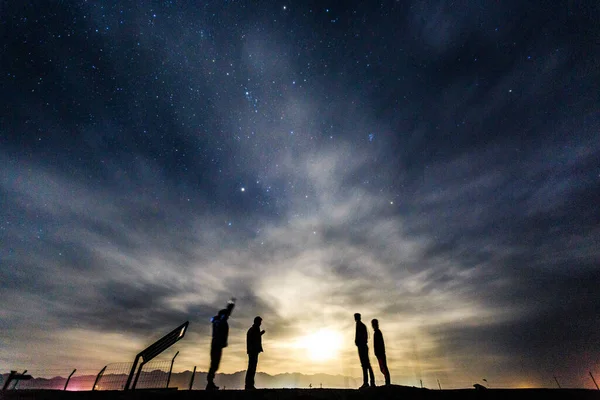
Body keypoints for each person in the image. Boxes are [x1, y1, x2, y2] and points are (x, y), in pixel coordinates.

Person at [206, 298, 236, 390]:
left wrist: (229, 307)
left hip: (216, 344)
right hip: (217, 345)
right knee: (214, 364)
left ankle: (210, 382)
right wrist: (230, 306)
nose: (228, 316)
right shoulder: (219, 322)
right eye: (226, 315)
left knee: (214, 364)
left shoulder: (217, 321)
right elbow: (225, 315)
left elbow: (225, 315)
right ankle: (210, 383)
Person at [354, 313, 375, 388]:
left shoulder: (360, 325)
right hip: (362, 346)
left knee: (365, 364)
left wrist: (359, 342)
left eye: (356, 317)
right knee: (366, 364)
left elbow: (363, 337)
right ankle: (369, 382)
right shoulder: (360, 325)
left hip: (362, 346)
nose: (355, 318)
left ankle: (368, 382)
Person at [245, 316, 265, 390]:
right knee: (252, 368)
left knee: (251, 368)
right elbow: (254, 339)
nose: (260, 324)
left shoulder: (252, 330)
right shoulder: (254, 329)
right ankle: (249, 385)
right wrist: (260, 334)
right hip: (253, 351)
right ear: (257, 322)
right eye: (260, 322)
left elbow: (254, 338)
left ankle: (249, 385)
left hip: (252, 351)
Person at [371, 319, 391, 385]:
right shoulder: (376, 332)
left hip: (380, 353)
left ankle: (387, 381)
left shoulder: (378, 332)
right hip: (379, 353)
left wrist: (379, 352)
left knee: (383, 367)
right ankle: (387, 381)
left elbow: (380, 344)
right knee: (382, 367)